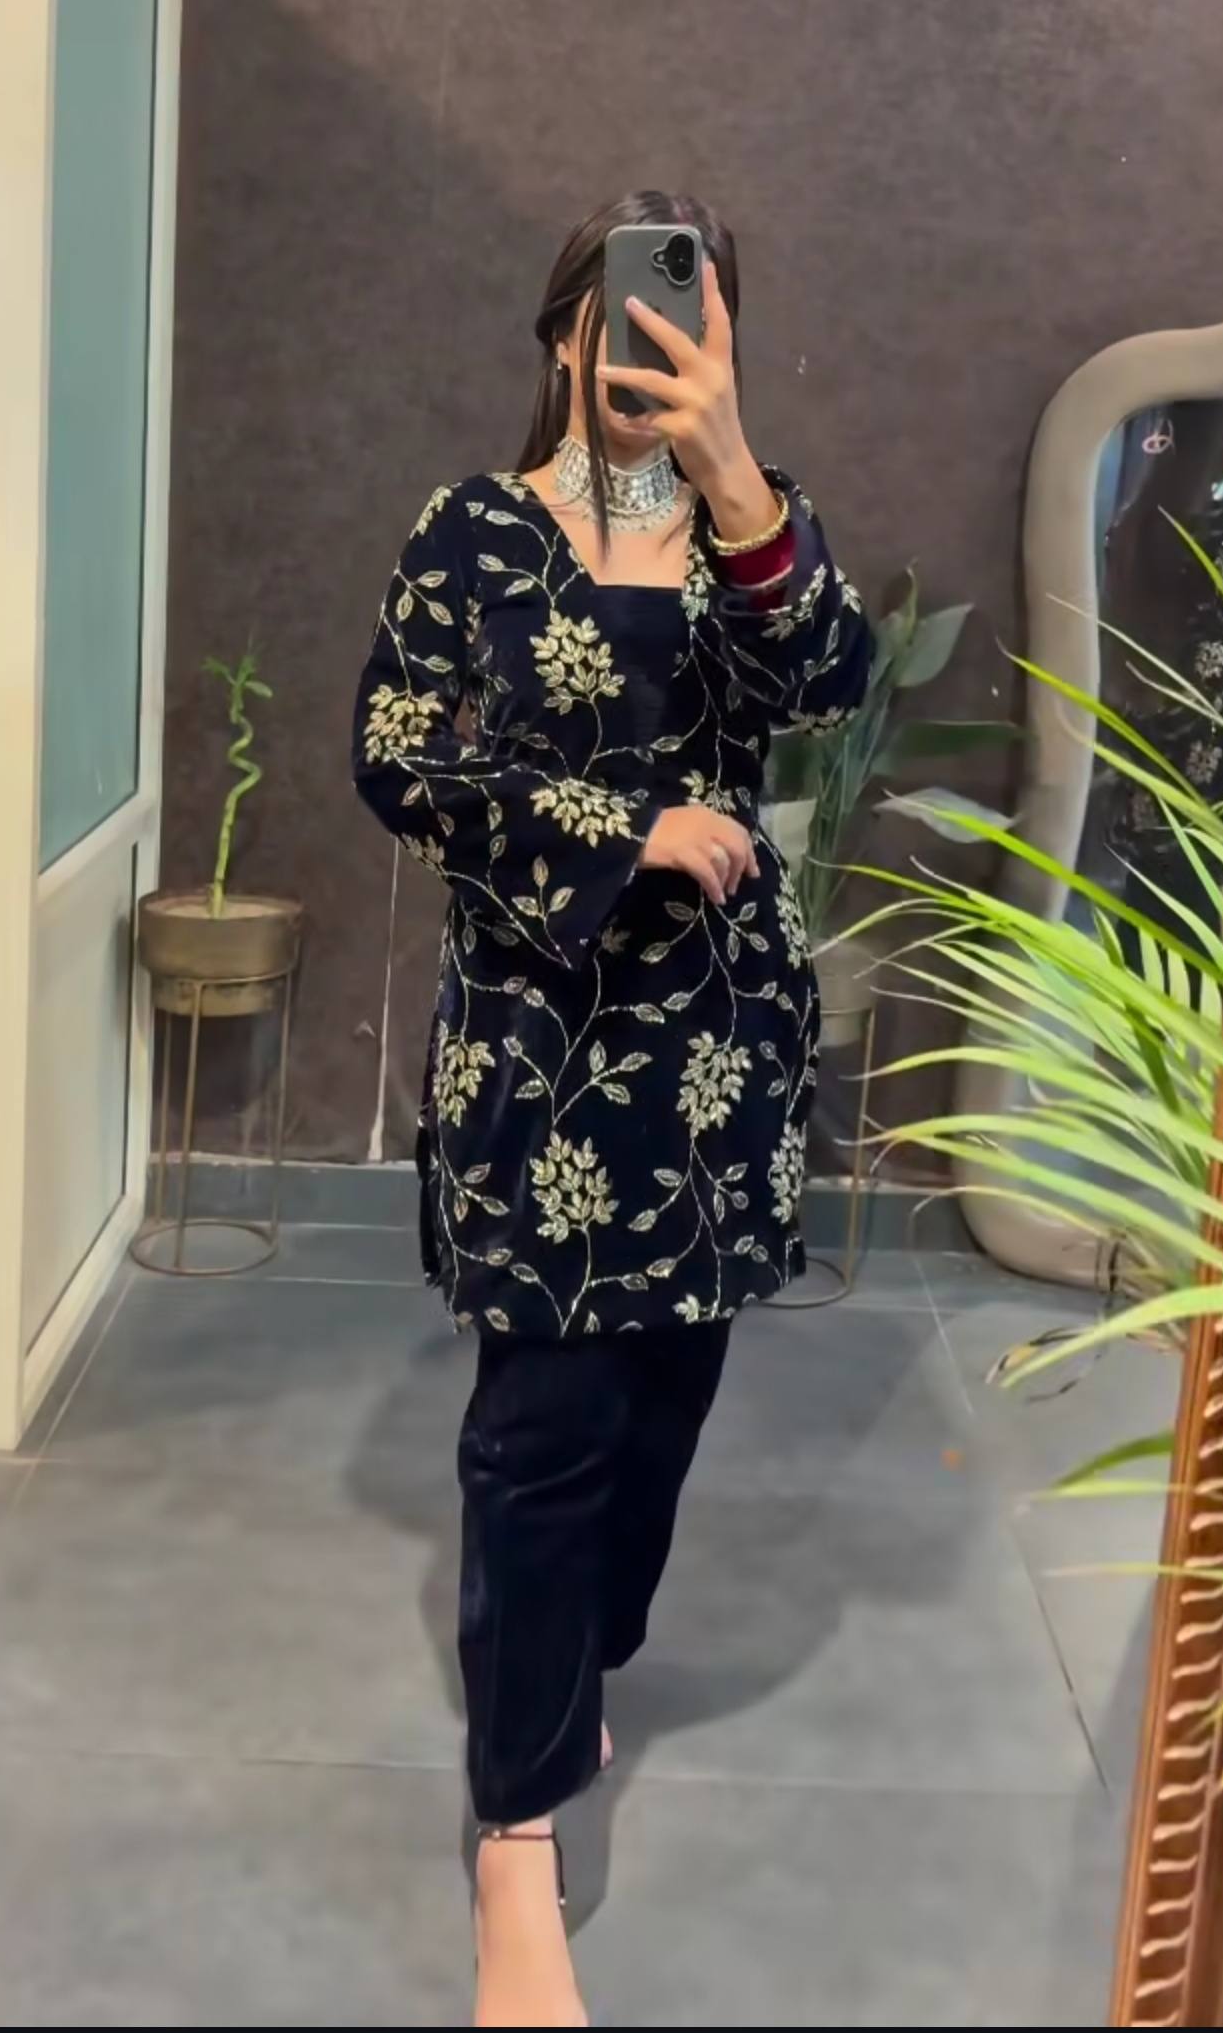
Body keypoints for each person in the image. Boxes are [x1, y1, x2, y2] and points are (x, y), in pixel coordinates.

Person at [351, 191, 872, 2026]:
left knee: (660, 1415)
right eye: (630, 316)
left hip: (716, 1062)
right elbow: (399, 756)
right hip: (540, 1062)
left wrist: (730, 474)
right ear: (563, 331)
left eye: (693, 322)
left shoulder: (752, 535)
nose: (654, 348)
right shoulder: (472, 533)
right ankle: (518, 1834)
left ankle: (571, 1664)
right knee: (542, 1439)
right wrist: (617, 825)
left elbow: (830, 686)